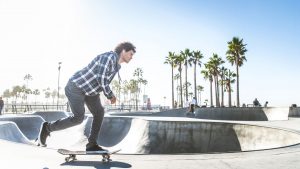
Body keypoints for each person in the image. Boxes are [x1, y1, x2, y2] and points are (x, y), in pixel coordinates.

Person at [38, 42, 136, 151]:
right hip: (76, 87)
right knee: (78, 118)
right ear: (123, 51)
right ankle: (47, 128)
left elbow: (100, 81)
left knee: (99, 112)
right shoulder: (109, 57)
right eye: (131, 54)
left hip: (91, 92)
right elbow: (101, 79)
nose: (132, 57)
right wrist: (110, 95)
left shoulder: (116, 66)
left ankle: (91, 144)